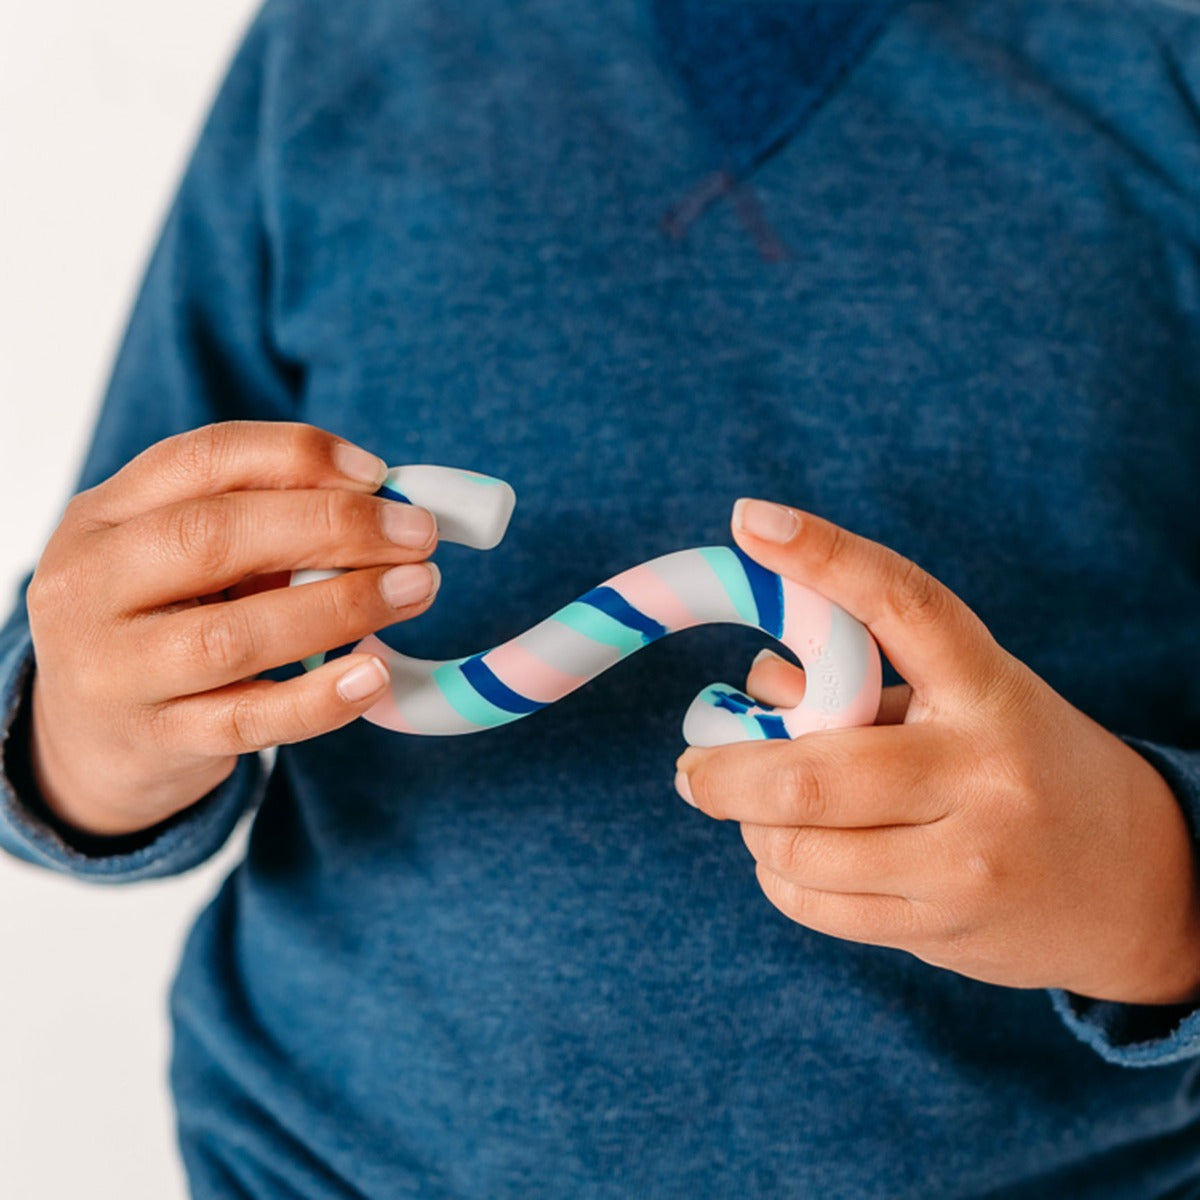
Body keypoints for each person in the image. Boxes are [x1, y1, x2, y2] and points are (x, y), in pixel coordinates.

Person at [3, 0, 1200, 1194]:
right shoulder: (338, 47)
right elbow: (119, 608)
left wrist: (1155, 892)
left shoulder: (1162, 68)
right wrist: (93, 730)